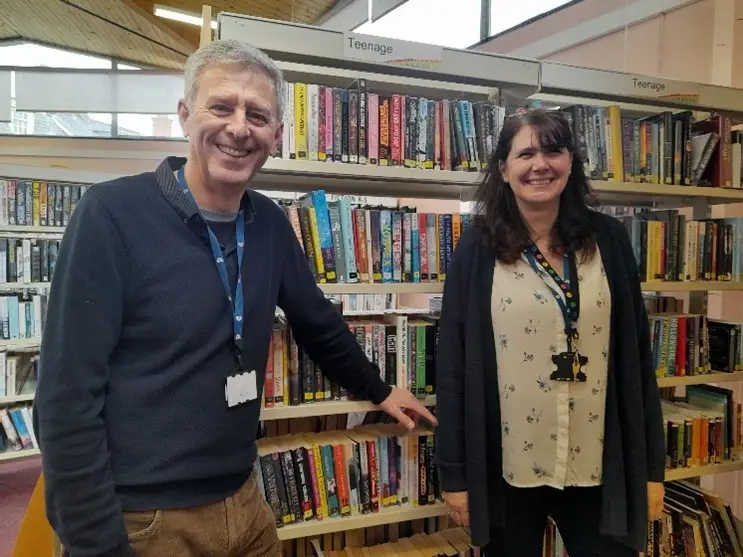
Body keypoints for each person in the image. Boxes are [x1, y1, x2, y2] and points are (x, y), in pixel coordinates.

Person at [33, 39, 436, 557]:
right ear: (184, 115)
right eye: (221, 107)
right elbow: (65, 396)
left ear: (277, 134)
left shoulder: (267, 221)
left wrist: (378, 388)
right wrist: (93, 544)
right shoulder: (110, 215)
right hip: (147, 519)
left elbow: (315, 319)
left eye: (257, 114)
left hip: (245, 500)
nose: (239, 128)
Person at [434, 108, 665, 557]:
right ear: (504, 169)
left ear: (571, 161)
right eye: (526, 153)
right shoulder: (477, 247)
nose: (540, 164)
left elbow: (637, 362)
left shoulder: (610, 241)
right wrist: (455, 475)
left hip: (598, 464)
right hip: (509, 467)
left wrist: (650, 468)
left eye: (553, 150)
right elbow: (454, 367)